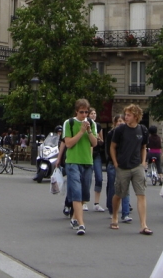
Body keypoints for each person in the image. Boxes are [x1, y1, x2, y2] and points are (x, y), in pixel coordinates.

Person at [109, 104, 151, 235]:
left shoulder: (142, 130)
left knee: (141, 194)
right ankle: (115, 215)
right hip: (122, 166)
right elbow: (112, 147)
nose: (125, 117)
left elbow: (144, 147)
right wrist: (115, 163)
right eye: (125, 115)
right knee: (119, 194)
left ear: (136, 117)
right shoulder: (120, 130)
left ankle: (143, 224)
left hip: (137, 165)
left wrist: (143, 162)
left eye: (128, 115)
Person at [63, 98, 97, 235]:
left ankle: (74, 217)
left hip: (87, 162)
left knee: (84, 193)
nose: (84, 115)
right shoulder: (69, 123)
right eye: (81, 112)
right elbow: (68, 143)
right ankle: (81, 224)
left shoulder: (92, 123)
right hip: (73, 161)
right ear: (76, 111)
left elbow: (94, 143)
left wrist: (88, 131)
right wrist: (81, 131)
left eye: (86, 112)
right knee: (76, 192)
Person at [105, 115, 131, 222]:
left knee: (125, 189)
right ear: (115, 123)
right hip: (113, 163)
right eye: (119, 121)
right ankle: (112, 209)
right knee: (113, 188)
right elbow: (109, 148)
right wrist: (112, 161)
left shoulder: (128, 133)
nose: (120, 123)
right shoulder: (111, 134)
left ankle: (125, 213)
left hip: (125, 164)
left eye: (122, 121)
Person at [88, 108, 105, 211]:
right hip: (88, 154)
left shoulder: (98, 126)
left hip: (96, 153)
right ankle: (84, 202)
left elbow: (102, 140)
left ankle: (96, 203)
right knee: (87, 178)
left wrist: (99, 139)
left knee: (99, 178)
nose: (93, 115)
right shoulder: (86, 125)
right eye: (91, 113)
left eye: (95, 113)